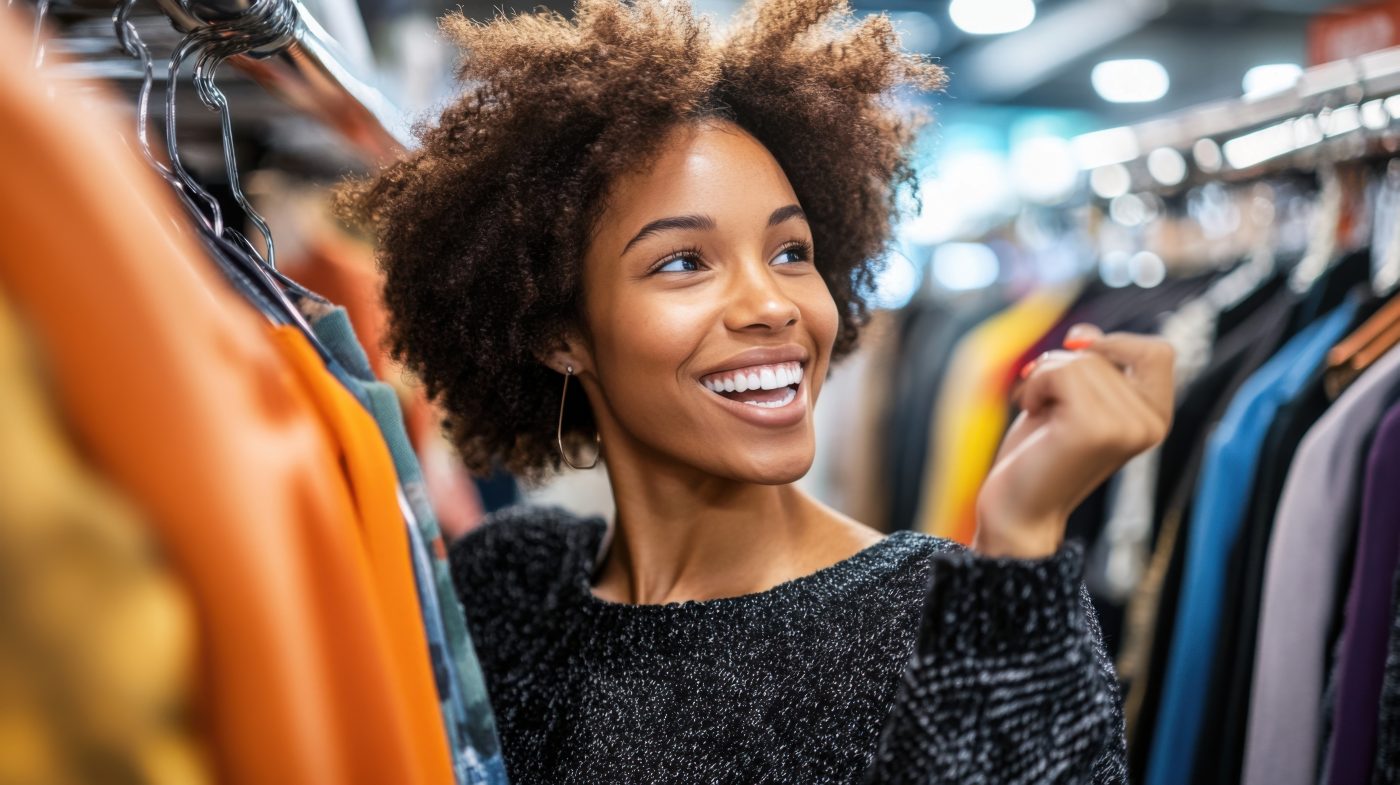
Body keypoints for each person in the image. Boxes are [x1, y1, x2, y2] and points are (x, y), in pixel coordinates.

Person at [335, 0, 1173, 780]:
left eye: (790, 252)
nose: (773, 303)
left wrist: (1022, 535)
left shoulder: (931, 616)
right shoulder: (506, 581)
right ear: (560, 333)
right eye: (682, 262)